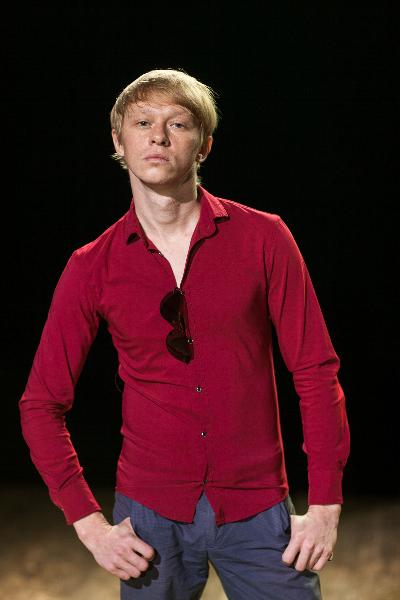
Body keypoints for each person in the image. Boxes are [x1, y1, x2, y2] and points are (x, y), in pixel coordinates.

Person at [19, 68, 350, 600]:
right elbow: (41, 404)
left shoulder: (264, 238)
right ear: (118, 142)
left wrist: (327, 505)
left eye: (177, 123)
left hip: (258, 508)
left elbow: (315, 370)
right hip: (150, 519)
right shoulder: (92, 265)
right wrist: (89, 524)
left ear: (204, 145)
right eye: (142, 123)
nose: (158, 136)